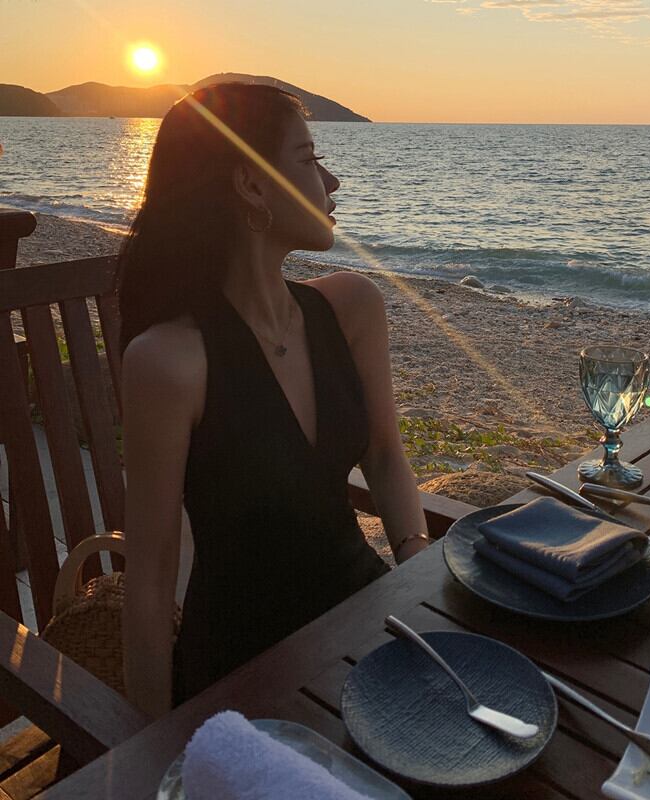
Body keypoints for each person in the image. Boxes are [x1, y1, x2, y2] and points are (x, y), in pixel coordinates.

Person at [119, 83, 429, 718]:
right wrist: (152, 749)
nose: (332, 182)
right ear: (252, 186)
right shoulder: (170, 362)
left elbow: (384, 455)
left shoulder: (352, 308)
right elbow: (150, 581)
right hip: (247, 674)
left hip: (366, 620)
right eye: (310, 159)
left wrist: (418, 579)